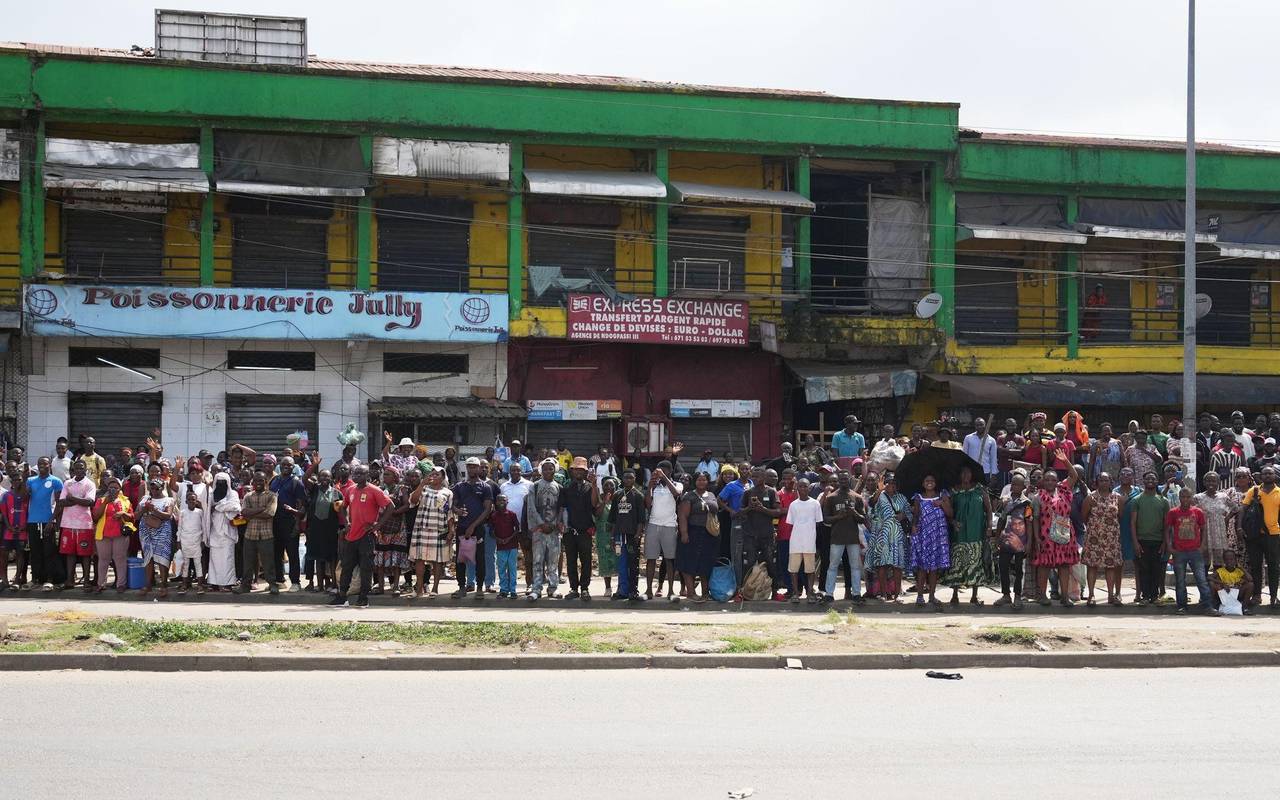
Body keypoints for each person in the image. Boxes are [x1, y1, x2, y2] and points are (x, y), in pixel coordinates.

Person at [1032, 469, 1079, 608]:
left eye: (1053, 480)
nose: (1050, 482)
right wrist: (1036, 538)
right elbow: (1034, 518)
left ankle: (1064, 596)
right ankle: (1042, 595)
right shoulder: (1037, 497)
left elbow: (1074, 475)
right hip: (1045, 535)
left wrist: (1065, 461)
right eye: (1047, 480)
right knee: (1044, 565)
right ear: (1042, 482)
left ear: (1057, 481)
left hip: (1064, 533)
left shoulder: (1064, 491)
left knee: (1064, 565)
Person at [943, 466, 989, 605]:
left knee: (976, 563)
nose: (966, 475)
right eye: (963, 472)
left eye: (968, 472)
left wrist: (989, 527)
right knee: (957, 563)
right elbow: (949, 512)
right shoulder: (954, 491)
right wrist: (952, 522)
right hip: (959, 533)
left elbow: (989, 508)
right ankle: (955, 594)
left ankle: (974, 595)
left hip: (977, 531)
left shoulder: (979, 489)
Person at [1165, 486, 1216, 614]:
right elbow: (1167, 530)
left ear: (1192, 498)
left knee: (1201, 579)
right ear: (1179, 497)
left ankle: (1207, 606)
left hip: (1195, 551)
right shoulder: (1173, 512)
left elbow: (1204, 529)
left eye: (1188, 497)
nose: (1185, 499)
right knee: (1180, 581)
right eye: (1183, 496)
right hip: (1179, 552)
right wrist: (1170, 547)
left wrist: (1203, 545)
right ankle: (1182, 606)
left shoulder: (1198, 512)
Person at [408, 466, 453, 599]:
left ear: (443, 478)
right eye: (432, 474)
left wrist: (451, 530)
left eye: (437, 474)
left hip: (439, 529)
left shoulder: (448, 493)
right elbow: (413, 501)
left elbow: (449, 513)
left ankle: (434, 588)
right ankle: (420, 588)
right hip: (422, 528)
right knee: (419, 559)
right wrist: (422, 483)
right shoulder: (424, 489)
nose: (434, 476)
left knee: (438, 560)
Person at [451, 457, 493, 598]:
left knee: (479, 558)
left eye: (475, 467)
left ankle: (479, 588)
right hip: (462, 527)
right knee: (461, 558)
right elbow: (452, 505)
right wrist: (457, 511)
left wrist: (473, 525)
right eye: (470, 467)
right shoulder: (459, 486)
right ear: (466, 468)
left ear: (480, 468)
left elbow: (487, 510)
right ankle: (462, 587)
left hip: (478, 528)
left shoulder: (485, 487)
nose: (472, 469)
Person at [736, 465, 780, 600]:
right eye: (753, 476)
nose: (755, 479)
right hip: (750, 535)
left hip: (767, 535)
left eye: (758, 476)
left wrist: (763, 509)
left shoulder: (771, 492)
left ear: (764, 477)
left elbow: (777, 512)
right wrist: (749, 507)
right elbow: (740, 512)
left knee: (771, 563)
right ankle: (743, 592)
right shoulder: (747, 493)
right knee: (748, 563)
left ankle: (775, 592)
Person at [822, 471, 866, 604]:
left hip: (853, 538)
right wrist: (838, 517)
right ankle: (829, 594)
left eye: (846, 479)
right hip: (837, 538)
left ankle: (856, 593)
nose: (843, 481)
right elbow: (825, 519)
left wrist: (854, 513)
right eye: (841, 479)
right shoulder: (831, 497)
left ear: (849, 480)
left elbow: (863, 519)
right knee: (833, 566)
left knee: (855, 567)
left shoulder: (857, 497)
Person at [1080, 471, 1123, 606]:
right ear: (1097, 482)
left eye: (1107, 480)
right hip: (1094, 536)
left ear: (1111, 482)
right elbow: (1084, 517)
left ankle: (1111, 595)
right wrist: (1096, 528)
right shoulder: (1090, 498)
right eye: (1102, 480)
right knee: (1092, 566)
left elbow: (1120, 517)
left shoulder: (1118, 498)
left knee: (1110, 566)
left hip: (1111, 537)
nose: (1104, 483)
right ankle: (1091, 595)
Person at [676, 471, 720, 602]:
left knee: (705, 563)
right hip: (693, 532)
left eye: (704, 480)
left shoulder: (711, 494)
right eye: (699, 480)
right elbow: (683, 516)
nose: (702, 482)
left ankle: (705, 592)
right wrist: (684, 533)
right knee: (689, 562)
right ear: (695, 481)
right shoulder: (689, 496)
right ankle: (691, 592)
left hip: (708, 534)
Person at [644, 459, 684, 601]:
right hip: (653, 524)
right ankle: (648, 590)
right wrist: (650, 486)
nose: (660, 473)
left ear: (669, 471)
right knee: (651, 558)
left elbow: (677, 493)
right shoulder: (655, 485)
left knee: (669, 559)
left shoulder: (677, 484)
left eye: (663, 470)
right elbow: (648, 504)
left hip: (669, 525)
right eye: (658, 470)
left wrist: (664, 478)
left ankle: (671, 591)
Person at [1240, 465, 1280, 608]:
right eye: (1265, 474)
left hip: (1273, 535)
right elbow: (1243, 509)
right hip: (1254, 535)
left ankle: (1274, 597)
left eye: (1270, 473)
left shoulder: (1279, 492)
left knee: (1274, 567)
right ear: (1260, 476)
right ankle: (1257, 595)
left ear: (1275, 476)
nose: (1268, 476)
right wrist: (1240, 527)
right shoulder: (1254, 490)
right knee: (1256, 566)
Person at [867, 472, 910, 602]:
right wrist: (879, 491)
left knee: (897, 566)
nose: (891, 485)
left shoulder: (902, 498)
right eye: (888, 482)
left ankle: (897, 595)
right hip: (882, 535)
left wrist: (903, 515)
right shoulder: (880, 496)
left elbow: (910, 513)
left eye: (894, 483)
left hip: (897, 536)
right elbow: (871, 506)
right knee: (882, 565)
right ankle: (884, 594)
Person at [561, 456, 599, 601]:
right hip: (570, 531)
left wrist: (594, 484)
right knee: (571, 561)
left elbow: (595, 504)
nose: (578, 472)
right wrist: (562, 525)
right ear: (572, 471)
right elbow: (562, 508)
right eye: (576, 469)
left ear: (585, 472)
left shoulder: (590, 487)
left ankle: (584, 588)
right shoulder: (566, 488)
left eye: (581, 470)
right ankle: (574, 588)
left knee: (586, 561)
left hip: (585, 531)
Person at [911, 474, 952, 608]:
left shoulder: (942, 495)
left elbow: (950, 513)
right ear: (923, 483)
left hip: (938, 536)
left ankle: (932, 596)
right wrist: (914, 527)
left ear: (936, 483)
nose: (929, 483)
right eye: (927, 480)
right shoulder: (918, 497)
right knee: (923, 568)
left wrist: (942, 503)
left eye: (932, 480)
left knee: (934, 569)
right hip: (924, 536)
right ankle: (920, 596)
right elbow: (916, 515)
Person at [1130, 470, 1171, 606]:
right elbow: (1133, 523)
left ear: (1157, 481)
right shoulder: (1137, 500)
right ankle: (1145, 596)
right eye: (1148, 479)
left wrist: (1165, 542)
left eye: (1153, 479)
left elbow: (1166, 524)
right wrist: (1135, 542)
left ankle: (1154, 596)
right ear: (1143, 481)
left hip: (1158, 540)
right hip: (1142, 540)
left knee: (1156, 569)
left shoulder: (1164, 501)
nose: (1150, 481)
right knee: (1144, 570)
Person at [525, 459, 564, 601]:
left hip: (553, 531)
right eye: (545, 469)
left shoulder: (559, 487)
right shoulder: (534, 487)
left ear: (555, 470)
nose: (548, 471)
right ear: (541, 470)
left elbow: (561, 508)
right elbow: (531, 508)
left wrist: (555, 523)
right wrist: (541, 524)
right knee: (537, 560)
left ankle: (553, 588)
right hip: (539, 531)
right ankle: (536, 588)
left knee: (553, 561)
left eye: (551, 469)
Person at [994, 471, 1033, 608]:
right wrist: (997, 537)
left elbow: (1029, 523)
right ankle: (1006, 595)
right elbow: (1000, 519)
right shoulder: (1005, 502)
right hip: (1005, 539)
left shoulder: (1027, 504)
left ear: (1023, 487)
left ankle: (1018, 596)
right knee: (1003, 567)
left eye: (1019, 484)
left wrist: (1029, 543)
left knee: (1018, 570)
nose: (1015, 487)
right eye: (1014, 484)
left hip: (1020, 542)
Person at [56, 459, 96, 591]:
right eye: (77, 468)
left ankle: (86, 581)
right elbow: (61, 502)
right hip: (68, 523)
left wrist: (72, 499)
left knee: (85, 554)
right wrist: (79, 501)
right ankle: (70, 579)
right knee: (70, 553)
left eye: (81, 468)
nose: (79, 470)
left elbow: (90, 502)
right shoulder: (67, 483)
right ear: (73, 470)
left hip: (85, 524)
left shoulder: (90, 484)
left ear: (86, 470)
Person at [237, 471, 278, 596]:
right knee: (248, 562)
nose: (258, 483)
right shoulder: (248, 496)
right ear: (252, 482)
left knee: (268, 562)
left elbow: (270, 514)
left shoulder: (272, 496)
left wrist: (252, 513)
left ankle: (272, 585)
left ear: (266, 482)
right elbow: (244, 512)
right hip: (250, 534)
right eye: (256, 481)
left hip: (266, 534)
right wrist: (261, 509)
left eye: (261, 480)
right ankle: (245, 586)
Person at [27, 457, 65, 590]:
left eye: (45, 463)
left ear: (50, 465)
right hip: (32, 521)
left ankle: (50, 579)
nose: (42, 465)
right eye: (39, 464)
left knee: (49, 551)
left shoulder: (56, 481)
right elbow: (26, 497)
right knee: (35, 551)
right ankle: (36, 579)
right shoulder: (30, 481)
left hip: (48, 521)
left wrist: (52, 520)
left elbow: (59, 504)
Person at [269, 456, 307, 592]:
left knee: (292, 554)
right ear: (279, 465)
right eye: (284, 464)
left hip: (290, 522)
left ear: (293, 467)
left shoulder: (297, 483)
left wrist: (297, 524)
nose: (286, 466)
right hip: (275, 522)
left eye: (289, 465)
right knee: (276, 553)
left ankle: (296, 582)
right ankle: (279, 580)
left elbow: (302, 506)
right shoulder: (274, 480)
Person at [608, 470, 646, 601]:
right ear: (622, 479)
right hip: (619, 536)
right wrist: (612, 537)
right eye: (626, 478)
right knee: (621, 563)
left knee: (633, 563)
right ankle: (622, 590)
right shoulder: (617, 495)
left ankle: (633, 591)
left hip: (632, 536)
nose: (628, 480)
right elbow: (612, 518)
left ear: (634, 479)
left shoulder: (638, 496)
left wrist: (638, 535)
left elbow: (641, 519)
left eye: (631, 477)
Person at [135, 477, 177, 597]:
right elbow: (136, 516)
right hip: (146, 531)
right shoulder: (144, 499)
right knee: (148, 557)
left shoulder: (168, 500)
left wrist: (153, 510)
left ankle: (163, 585)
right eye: (152, 487)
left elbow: (168, 515)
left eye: (156, 488)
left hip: (163, 531)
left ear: (162, 488)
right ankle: (148, 584)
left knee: (162, 557)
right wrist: (144, 509)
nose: (154, 490)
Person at [784, 477, 823, 604]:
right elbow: (791, 524)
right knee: (793, 570)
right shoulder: (793, 505)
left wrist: (815, 542)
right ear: (797, 488)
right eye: (800, 486)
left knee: (810, 570)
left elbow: (818, 523)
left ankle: (810, 593)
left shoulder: (815, 504)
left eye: (805, 486)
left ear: (809, 488)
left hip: (809, 542)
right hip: (795, 542)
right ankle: (795, 593)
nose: (803, 488)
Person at [90, 477, 132, 593]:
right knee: (103, 559)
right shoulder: (101, 500)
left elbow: (132, 517)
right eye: (111, 487)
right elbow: (95, 516)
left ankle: (121, 584)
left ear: (120, 489)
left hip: (120, 534)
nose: (113, 489)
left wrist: (123, 513)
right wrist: (106, 503)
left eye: (115, 487)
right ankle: (101, 584)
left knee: (120, 559)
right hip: (103, 534)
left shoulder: (126, 501)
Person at [304, 470, 341, 593]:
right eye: (322, 475)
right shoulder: (314, 489)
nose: (324, 478)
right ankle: (320, 585)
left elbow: (343, 510)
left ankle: (334, 585)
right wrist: (314, 465)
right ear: (318, 478)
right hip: (315, 530)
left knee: (331, 558)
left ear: (331, 478)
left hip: (330, 530)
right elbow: (304, 478)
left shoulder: (336, 493)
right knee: (318, 558)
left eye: (327, 476)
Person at [499, 462, 534, 588]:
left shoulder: (529, 485)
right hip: (508, 528)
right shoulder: (503, 486)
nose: (515, 472)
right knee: (508, 559)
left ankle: (530, 583)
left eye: (518, 470)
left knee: (529, 557)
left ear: (522, 471)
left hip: (525, 527)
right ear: (509, 471)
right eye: (513, 470)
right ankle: (508, 585)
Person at [206, 472, 240, 591]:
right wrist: (222, 507)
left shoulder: (233, 494)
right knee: (214, 558)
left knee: (227, 558)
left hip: (227, 531)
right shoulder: (211, 494)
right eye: (219, 482)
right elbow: (208, 509)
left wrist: (219, 507)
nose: (221, 484)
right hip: (214, 530)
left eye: (224, 482)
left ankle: (227, 583)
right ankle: (214, 583)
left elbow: (236, 508)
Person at [1193, 471, 1232, 569]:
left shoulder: (1223, 496)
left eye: (1214, 481)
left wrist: (1227, 518)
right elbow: (1191, 512)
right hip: (1204, 531)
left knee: (1218, 560)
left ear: (1218, 482)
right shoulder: (1198, 497)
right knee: (1204, 559)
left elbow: (1235, 508)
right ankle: (1204, 582)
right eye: (1208, 481)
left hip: (1219, 531)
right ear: (1204, 482)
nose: (1211, 483)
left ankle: (1216, 582)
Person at [0, 466, 29, 589]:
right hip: (8, 531)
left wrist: (24, 526)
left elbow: (29, 513)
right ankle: (4, 579)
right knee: (4, 554)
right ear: (11, 482)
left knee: (20, 554)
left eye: (20, 480)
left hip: (22, 531)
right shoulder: (6, 495)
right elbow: (4, 513)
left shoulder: (27, 496)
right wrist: (9, 527)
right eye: (15, 480)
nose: (17, 482)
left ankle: (17, 579)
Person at [774, 469, 799, 599]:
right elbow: (778, 511)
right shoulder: (778, 493)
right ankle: (790, 588)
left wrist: (796, 491)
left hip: (798, 534)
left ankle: (800, 588)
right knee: (785, 562)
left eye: (790, 479)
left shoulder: (799, 492)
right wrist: (792, 509)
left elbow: (801, 506)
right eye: (785, 479)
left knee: (799, 563)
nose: (788, 482)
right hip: (783, 533)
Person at [490, 493, 521, 598]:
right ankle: (503, 590)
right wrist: (498, 539)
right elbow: (491, 530)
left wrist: (509, 538)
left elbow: (517, 529)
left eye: (503, 500)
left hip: (512, 546)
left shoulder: (512, 514)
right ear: (496, 502)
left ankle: (513, 590)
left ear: (507, 502)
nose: (501, 502)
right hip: (500, 546)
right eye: (499, 500)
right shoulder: (493, 516)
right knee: (502, 569)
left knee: (512, 568)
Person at [175, 489, 206, 594]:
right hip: (185, 540)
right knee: (185, 564)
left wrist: (203, 540)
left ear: (196, 501)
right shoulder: (182, 513)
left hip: (196, 540)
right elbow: (179, 528)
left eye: (193, 500)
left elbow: (203, 527)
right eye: (189, 500)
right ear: (186, 501)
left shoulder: (200, 512)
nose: (191, 501)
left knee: (198, 564)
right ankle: (184, 585)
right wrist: (178, 541)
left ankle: (200, 585)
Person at [1209, 549, 1253, 615]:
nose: (1229, 561)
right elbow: (1209, 577)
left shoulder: (1238, 571)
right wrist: (1222, 583)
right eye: (1227, 559)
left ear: (1235, 560)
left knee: (1250, 585)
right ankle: (1213, 606)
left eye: (1231, 559)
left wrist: (1241, 568)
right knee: (1211, 583)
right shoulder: (1221, 570)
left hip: (1236, 594)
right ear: (1224, 561)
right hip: (1224, 594)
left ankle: (1244, 608)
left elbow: (1250, 579)